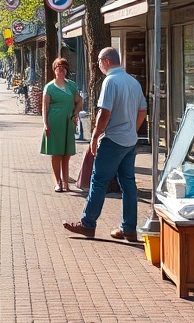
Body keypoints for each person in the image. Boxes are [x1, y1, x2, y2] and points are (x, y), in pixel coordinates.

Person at [64, 47, 147, 241]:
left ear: (107, 61)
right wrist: (132, 129)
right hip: (129, 141)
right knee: (128, 184)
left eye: (99, 62)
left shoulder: (110, 81)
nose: (99, 66)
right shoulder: (133, 82)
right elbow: (142, 110)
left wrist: (95, 136)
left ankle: (88, 224)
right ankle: (129, 228)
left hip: (113, 139)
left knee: (99, 181)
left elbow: (104, 113)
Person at [41, 57, 83, 192]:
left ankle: (66, 182)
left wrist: (75, 113)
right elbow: (45, 107)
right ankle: (57, 182)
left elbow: (79, 101)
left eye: (63, 69)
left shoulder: (71, 85)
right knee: (56, 153)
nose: (61, 71)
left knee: (67, 154)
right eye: (58, 68)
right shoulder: (49, 87)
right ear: (54, 70)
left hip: (68, 122)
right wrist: (46, 124)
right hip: (55, 122)